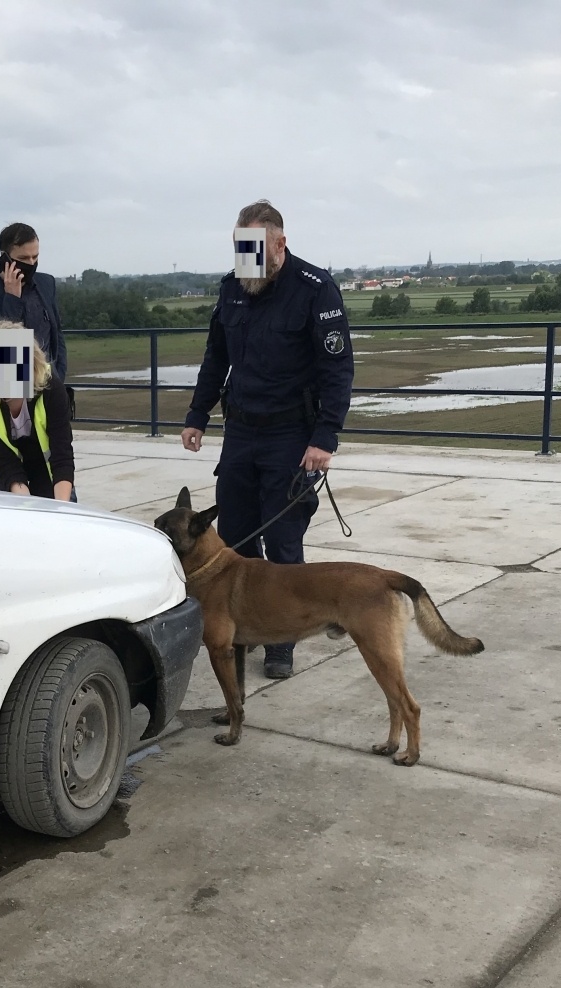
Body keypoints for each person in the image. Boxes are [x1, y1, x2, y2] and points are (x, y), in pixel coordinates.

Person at [180, 199, 354, 678]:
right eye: (240, 251)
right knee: (234, 540)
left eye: (255, 250)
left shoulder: (315, 289)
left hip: (290, 435)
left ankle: (284, 640)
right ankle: (245, 628)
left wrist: (325, 438)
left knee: (283, 542)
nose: (246, 262)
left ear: (280, 243)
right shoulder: (233, 288)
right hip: (240, 431)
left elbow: (337, 369)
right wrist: (198, 413)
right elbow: (216, 357)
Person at [0, 320, 76, 501]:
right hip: (1, 464)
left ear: (31, 365)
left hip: (43, 461)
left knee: (63, 509)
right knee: (12, 517)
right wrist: (25, 507)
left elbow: (61, 455)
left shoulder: (52, 388)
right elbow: (5, 461)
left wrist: (62, 509)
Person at [0, 222, 68, 383]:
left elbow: (57, 333)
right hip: (6, 387)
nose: (31, 263)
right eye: (23, 258)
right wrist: (11, 298)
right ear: (4, 256)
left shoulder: (47, 283)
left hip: (49, 385)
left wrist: (59, 376)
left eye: (35, 257)